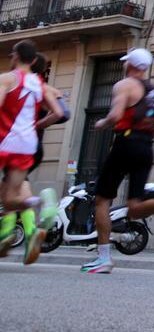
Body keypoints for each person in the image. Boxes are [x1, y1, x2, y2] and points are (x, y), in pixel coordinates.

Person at [81, 48, 154, 274]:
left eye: (126, 62)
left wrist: (101, 123)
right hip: (145, 148)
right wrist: (143, 135)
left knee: (102, 200)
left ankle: (104, 258)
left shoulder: (124, 85)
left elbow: (116, 116)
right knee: (134, 208)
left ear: (131, 65)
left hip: (124, 144)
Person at [0, 41, 61, 265]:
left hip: (5, 141)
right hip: (28, 145)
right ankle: (40, 203)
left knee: (8, 199)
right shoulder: (41, 85)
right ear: (34, 60)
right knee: (10, 199)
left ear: (15, 56)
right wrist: (37, 126)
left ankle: (6, 233)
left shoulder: (7, 78)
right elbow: (59, 112)